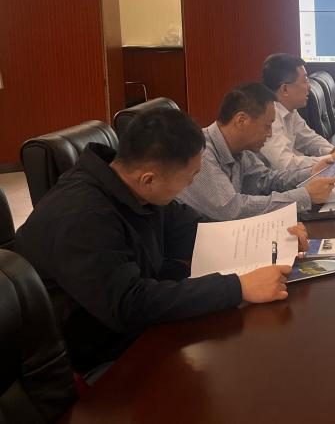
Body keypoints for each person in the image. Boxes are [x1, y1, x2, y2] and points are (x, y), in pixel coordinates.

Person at [12, 108, 304, 376]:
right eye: (190, 177)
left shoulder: (133, 185)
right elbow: (129, 305)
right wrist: (237, 287)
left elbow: (195, 231)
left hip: (138, 324)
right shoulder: (81, 217)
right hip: (94, 354)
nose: (191, 184)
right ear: (149, 179)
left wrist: (273, 239)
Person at [177, 82, 335, 220]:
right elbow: (232, 210)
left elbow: (265, 180)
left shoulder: (240, 149)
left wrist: (310, 173)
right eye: (267, 126)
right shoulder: (201, 152)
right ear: (241, 120)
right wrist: (304, 196)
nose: (270, 133)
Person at [260, 53, 335, 171]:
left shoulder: (289, 109)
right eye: (305, 81)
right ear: (285, 89)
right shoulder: (267, 116)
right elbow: (285, 165)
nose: (309, 87)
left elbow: (310, 140)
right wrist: (331, 158)